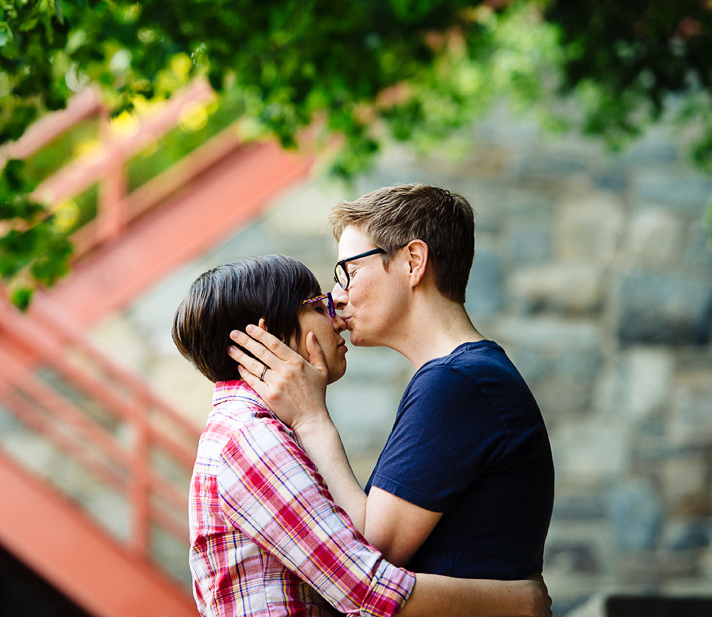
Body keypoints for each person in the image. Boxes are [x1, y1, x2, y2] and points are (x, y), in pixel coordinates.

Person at [173, 254, 550, 617]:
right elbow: (367, 591)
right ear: (266, 333)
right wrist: (518, 602)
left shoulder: (255, 429)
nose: (335, 319)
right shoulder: (251, 438)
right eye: (317, 307)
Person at [228, 184, 554, 579]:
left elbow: (368, 558)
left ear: (414, 262)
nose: (337, 297)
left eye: (348, 271)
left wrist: (311, 418)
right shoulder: (464, 376)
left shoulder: (457, 383)